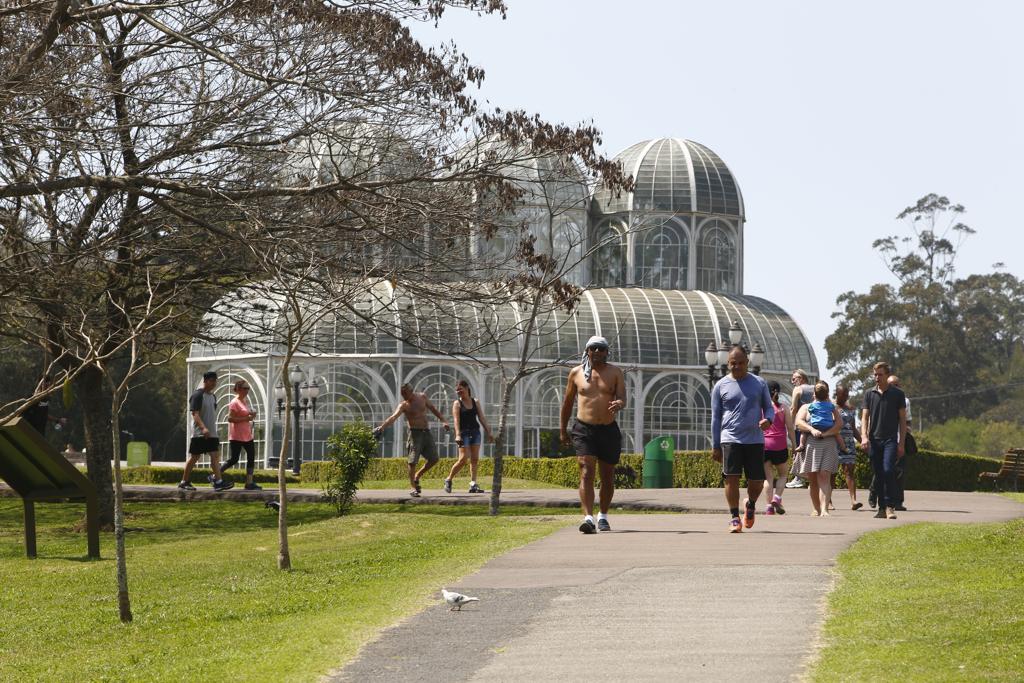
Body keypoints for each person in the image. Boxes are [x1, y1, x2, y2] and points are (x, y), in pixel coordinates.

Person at [560, 335, 626, 534]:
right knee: (586, 471)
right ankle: (588, 518)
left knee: (607, 476)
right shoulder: (576, 373)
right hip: (584, 429)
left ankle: (603, 516)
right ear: (587, 351)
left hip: (608, 429)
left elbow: (622, 397)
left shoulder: (615, 372)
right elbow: (567, 403)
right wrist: (562, 430)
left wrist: (619, 403)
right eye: (593, 348)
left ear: (607, 352)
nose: (597, 351)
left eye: (601, 348)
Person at [711, 345, 773, 533]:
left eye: (740, 363)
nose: (736, 366)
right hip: (730, 438)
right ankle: (734, 518)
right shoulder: (720, 385)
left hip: (754, 439)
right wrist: (715, 445)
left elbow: (768, 407)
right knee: (731, 479)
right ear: (728, 363)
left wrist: (768, 420)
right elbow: (715, 417)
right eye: (733, 363)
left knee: (756, 481)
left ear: (747, 362)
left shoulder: (759, 383)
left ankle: (750, 504)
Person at [374, 383, 450, 497]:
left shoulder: (422, 397)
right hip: (414, 435)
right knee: (412, 461)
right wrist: (381, 427)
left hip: (426, 432)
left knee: (434, 459)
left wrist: (443, 420)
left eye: (405, 393)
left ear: (411, 391)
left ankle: (417, 476)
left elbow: (433, 409)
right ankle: (413, 487)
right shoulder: (404, 405)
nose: (403, 396)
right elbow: (393, 417)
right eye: (402, 394)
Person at [860, 362, 907, 520]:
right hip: (874, 440)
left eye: (880, 374)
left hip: (890, 440)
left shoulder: (897, 394)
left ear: (887, 375)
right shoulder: (869, 394)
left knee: (888, 470)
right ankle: (881, 508)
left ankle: (890, 506)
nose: (877, 377)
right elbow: (864, 417)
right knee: (879, 474)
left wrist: (901, 443)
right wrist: (864, 436)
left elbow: (902, 421)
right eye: (875, 374)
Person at [794, 381, 842, 516]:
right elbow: (798, 423)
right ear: (814, 394)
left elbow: (839, 424)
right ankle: (816, 508)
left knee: (825, 476)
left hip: (828, 443)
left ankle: (825, 509)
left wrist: (826, 434)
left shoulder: (831, 408)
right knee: (813, 479)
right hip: (811, 444)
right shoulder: (806, 407)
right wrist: (812, 429)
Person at [868, 374, 915, 511]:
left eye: (896, 385)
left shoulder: (904, 400)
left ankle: (897, 501)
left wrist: (905, 435)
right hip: (880, 438)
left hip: (898, 439)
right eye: (891, 385)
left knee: (899, 471)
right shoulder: (877, 396)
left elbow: (907, 420)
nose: (894, 387)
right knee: (883, 470)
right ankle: (874, 492)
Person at [181, 371, 233, 491]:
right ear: (205, 381)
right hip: (199, 433)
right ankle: (184, 481)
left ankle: (218, 481)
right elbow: (195, 414)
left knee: (215, 456)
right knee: (195, 457)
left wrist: (211, 430)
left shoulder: (213, 396)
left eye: (215, 381)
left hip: (212, 433)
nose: (213, 383)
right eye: (211, 381)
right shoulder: (197, 395)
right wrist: (203, 428)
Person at [444, 380, 493, 494]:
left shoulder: (475, 401)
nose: (458, 391)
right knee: (463, 459)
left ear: (467, 388)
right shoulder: (457, 403)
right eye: (457, 390)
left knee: (474, 459)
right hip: (463, 433)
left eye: (460, 389)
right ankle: (448, 479)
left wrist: (489, 432)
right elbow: (456, 421)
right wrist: (457, 435)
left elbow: (481, 417)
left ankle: (473, 484)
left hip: (475, 432)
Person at [222, 379, 261, 491]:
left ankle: (249, 482)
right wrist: (246, 418)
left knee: (251, 457)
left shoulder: (244, 401)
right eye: (245, 388)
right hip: (237, 436)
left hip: (247, 435)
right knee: (234, 459)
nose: (247, 390)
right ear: (238, 389)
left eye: (248, 388)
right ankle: (216, 475)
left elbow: (244, 414)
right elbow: (230, 418)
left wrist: (251, 414)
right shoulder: (234, 402)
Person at [762, 380, 793, 515]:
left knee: (768, 478)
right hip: (780, 446)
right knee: (783, 475)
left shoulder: (762, 408)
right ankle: (777, 498)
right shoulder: (784, 408)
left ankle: (769, 507)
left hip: (765, 446)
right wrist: (795, 445)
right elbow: (790, 428)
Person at [835, 384, 863, 510]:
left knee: (849, 471)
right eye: (843, 395)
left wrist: (862, 441)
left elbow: (853, 428)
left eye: (847, 395)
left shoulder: (850, 409)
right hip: (834, 442)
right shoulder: (831, 408)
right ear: (837, 394)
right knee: (831, 473)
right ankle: (828, 501)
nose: (846, 397)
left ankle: (853, 500)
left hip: (849, 443)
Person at [785, 369, 814, 489]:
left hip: (801, 425)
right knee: (812, 452)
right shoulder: (814, 388)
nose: (792, 382)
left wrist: (791, 425)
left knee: (798, 450)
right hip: (814, 425)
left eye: (794, 379)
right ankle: (813, 480)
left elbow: (793, 409)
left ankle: (798, 478)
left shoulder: (798, 389)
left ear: (801, 378)